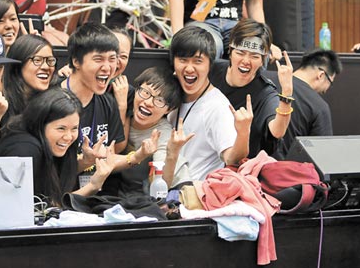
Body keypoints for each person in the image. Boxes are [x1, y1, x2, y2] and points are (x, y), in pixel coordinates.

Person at [0, 88, 118, 206]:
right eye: (61, 128)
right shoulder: (25, 149)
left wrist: (86, 162)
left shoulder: (48, 145)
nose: (68, 137)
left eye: (74, 128)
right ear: (41, 123)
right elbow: (42, 209)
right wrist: (92, 186)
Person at [166, 26, 252, 182]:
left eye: (198, 61)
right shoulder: (170, 95)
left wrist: (243, 133)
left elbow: (231, 158)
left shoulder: (217, 107)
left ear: (210, 65)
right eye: (183, 60)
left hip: (194, 192)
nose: (189, 68)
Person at [209, 19, 294, 157]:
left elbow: (278, 131)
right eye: (240, 53)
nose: (246, 61)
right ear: (230, 51)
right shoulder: (212, 69)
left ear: (263, 60)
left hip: (239, 164)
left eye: (254, 56)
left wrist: (287, 92)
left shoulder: (265, 92)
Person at [60, 23, 127, 174]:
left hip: (97, 185)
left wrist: (137, 156)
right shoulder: (51, 99)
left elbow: (112, 153)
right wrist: (85, 162)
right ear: (76, 61)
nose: (107, 67)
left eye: (112, 59)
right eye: (98, 59)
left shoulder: (108, 102)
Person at [118, 66, 184, 195]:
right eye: (146, 92)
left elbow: (163, 183)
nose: (148, 102)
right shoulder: (123, 105)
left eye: (159, 100)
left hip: (143, 196)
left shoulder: (162, 134)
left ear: (169, 109)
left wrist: (172, 154)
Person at [276, 49, 342, 159]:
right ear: (321, 75)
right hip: (285, 168)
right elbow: (323, 155)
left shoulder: (264, 80)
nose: (326, 89)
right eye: (330, 82)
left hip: (248, 165)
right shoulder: (319, 106)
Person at [2, 35, 57, 126]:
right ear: (18, 64)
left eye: (50, 60)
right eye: (37, 60)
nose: (46, 67)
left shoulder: (55, 103)